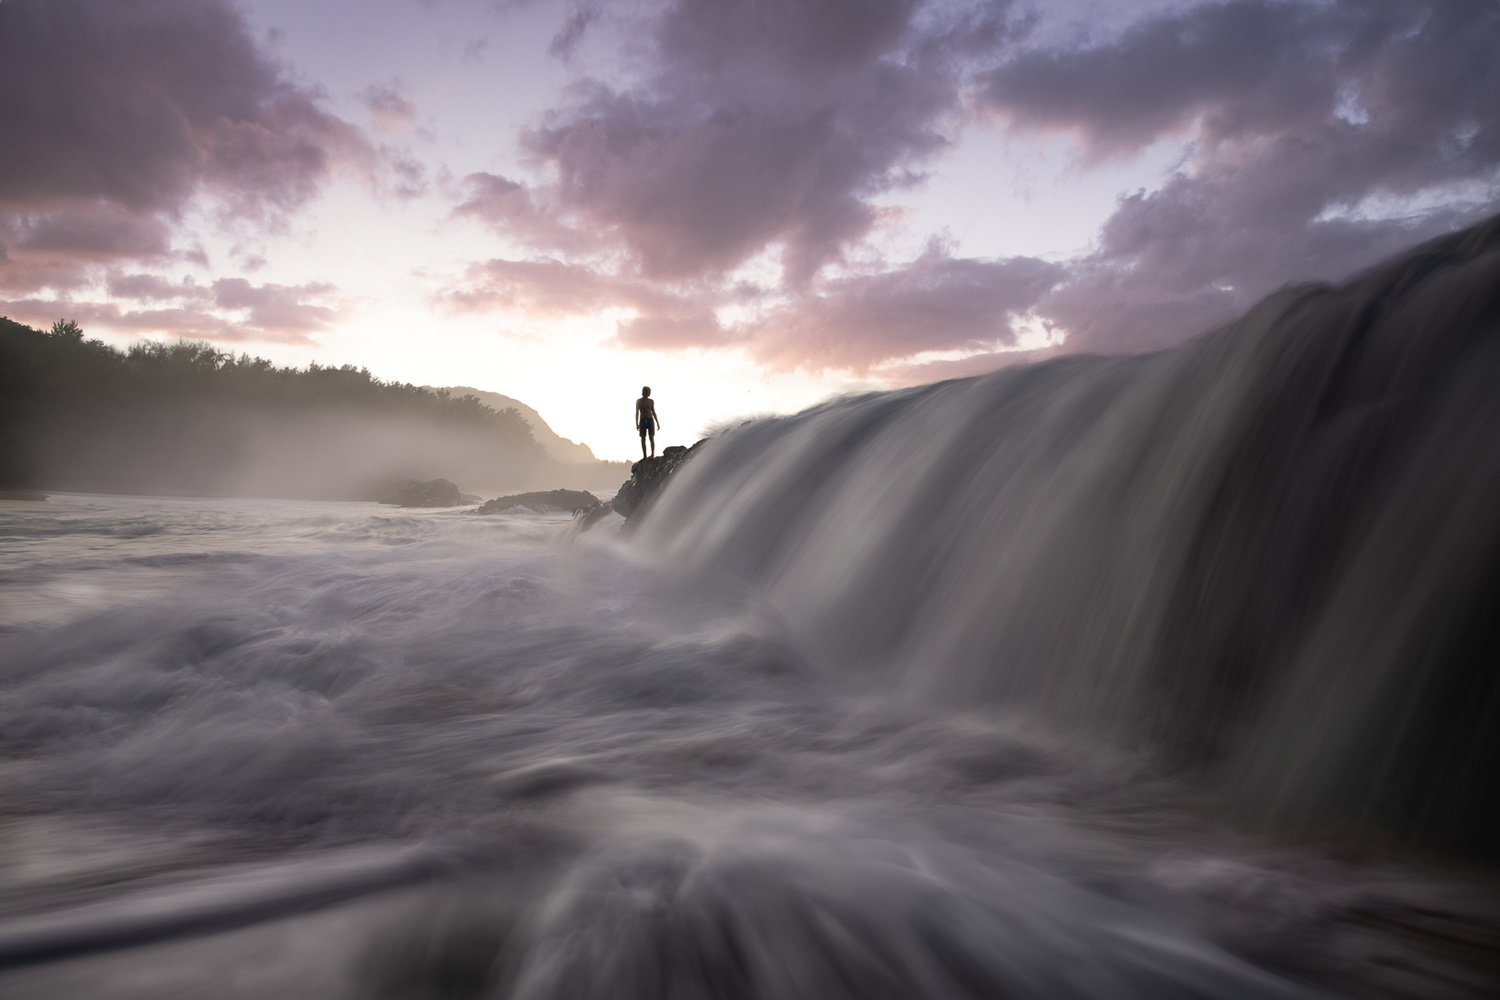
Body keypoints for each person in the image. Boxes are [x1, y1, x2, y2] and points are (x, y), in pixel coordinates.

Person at [635, 386, 660, 459]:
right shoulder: (639, 401)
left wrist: (657, 422)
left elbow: (653, 411)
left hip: (650, 419)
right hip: (643, 420)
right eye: (649, 391)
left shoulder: (651, 401)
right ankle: (644, 456)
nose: (650, 393)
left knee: (651, 437)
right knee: (643, 438)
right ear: (645, 392)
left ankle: (652, 454)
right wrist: (637, 423)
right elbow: (637, 413)